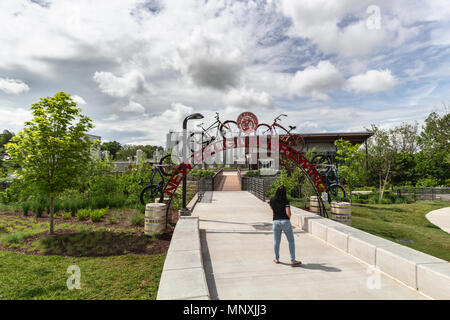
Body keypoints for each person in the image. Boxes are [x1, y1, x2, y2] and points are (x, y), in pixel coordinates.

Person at [269, 186, 302, 266]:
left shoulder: (272, 200)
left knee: (276, 241)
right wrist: (288, 218)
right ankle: (292, 260)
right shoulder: (285, 201)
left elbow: (271, 208)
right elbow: (288, 213)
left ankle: (276, 259)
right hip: (285, 222)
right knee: (291, 241)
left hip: (276, 222)